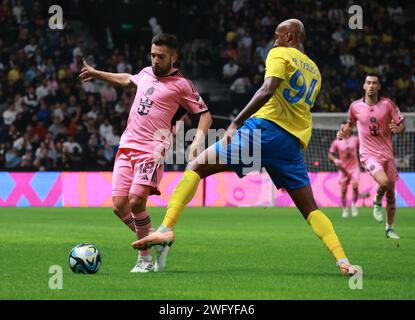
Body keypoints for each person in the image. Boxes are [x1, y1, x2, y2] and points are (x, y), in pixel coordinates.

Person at [132, 19, 359, 276]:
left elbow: (268, 89)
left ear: (288, 35)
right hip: (291, 144)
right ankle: (343, 261)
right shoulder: (315, 71)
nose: (274, 40)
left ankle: (165, 229)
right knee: (310, 209)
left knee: (196, 165)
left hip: (264, 131)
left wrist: (236, 122)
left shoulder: (280, 53)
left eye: (277, 35)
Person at [80, 33, 212, 272]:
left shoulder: (182, 85)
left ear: (174, 57)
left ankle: (144, 260)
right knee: (119, 205)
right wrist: (98, 73)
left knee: (136, 200)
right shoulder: (145, 73)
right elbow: (128, 80)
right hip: (127, 145)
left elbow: (205, 114)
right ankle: (155, 238)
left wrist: (198, 141)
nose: (155, 60)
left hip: (152, 148)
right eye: (152, 55)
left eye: (160, 57)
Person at [337, 74, 405, 239]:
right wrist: (343, 132)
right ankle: (376, 201)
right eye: (369, 83)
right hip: (368, 155)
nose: (372, 86)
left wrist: (399, 129)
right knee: (384, 182)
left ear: (379, 86)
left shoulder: (388, 104)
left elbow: (401, 123)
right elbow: (350, 125)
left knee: (391, 194)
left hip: (387, 154)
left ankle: (389, 229)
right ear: (364, 86)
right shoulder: (355, 107)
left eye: (375, 83)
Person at [328, 121, 360, 218]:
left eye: (344, 127)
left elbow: (364, 147)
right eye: (341, 128)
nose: (343, 129)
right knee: (343, 190)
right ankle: (345, 208)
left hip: (354, 167)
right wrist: (335, 160)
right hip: (343, 169)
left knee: (355, 186)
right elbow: (330, 154)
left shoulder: (355, 139)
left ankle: (354, 204)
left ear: (349, 129)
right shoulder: (336, 142)